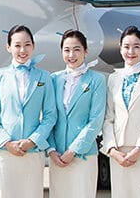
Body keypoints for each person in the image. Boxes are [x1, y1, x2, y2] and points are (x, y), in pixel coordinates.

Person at [0, 24, 56, 198]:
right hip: (4, 152)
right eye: (17, 45)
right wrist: (7, 142)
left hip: (32, 152)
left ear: (33, 46)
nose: (22, 50)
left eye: (27, 45)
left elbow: (50, 115)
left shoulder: (44, 77)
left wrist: (33, 140)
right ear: (8, 47)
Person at [101, 26, 140, 198]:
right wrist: (112, 150)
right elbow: (108, 118)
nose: (131, 51)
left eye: (136, 46)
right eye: (126, 46)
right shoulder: (114, 79)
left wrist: (139, 149)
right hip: (119, 152)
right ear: (120, 48)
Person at [47, 29, 106, 198]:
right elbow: (49, 118)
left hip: (83, 154)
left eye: (77, 49)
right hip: (57, 155)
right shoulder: (54, 79)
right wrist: (51, 150)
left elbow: (96, 120)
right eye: (66, 50)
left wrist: (73, 150)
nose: (71, 55)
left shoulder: (96, 80)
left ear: (86, 51)